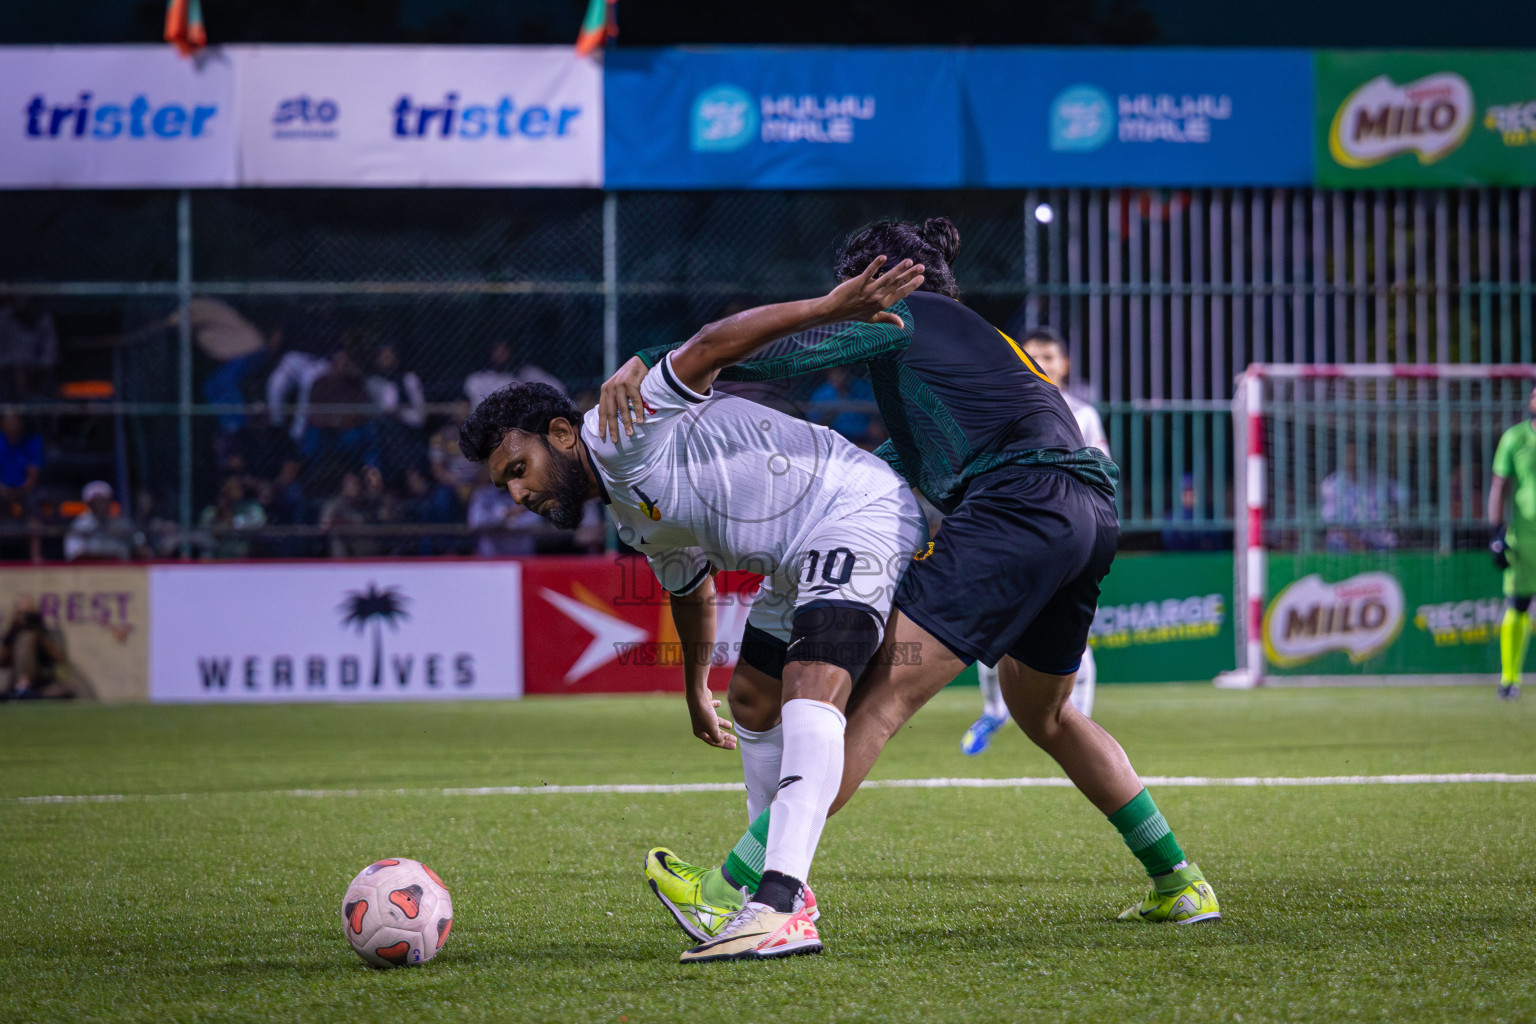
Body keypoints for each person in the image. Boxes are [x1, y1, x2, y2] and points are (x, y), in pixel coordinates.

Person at [601, 217, 1218, 941]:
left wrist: (657, 362)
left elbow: (779, 352)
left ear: (877, 279)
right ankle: (1179, 880)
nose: (837, 296)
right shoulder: (971, 346)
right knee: (1043, 712)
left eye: (844, 285)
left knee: (881, 696)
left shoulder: (902, 313)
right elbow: (913, 461)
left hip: (1018, 507)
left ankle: (735, 886)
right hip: (1087, 513)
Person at [459, 257, 930, 963]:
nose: (517, 496)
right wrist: (693, 689)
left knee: (811, 686)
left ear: (560, 434)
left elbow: (712, 344)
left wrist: (831, 306)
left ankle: (779, 901)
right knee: (751, 698)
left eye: (517, 470)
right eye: (505, 486)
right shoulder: (629, 518)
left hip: (854, 509)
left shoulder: (615, 426)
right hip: (796, 555)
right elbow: (690, 586)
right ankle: (770, 899)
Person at [962, 325, 1106, 755]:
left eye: (1048, 356)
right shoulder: (1001, 410)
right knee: (992, 631)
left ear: (1065, 365)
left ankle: (1080, 725)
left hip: (1068, 539)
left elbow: (1102, 476)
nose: (1040, 363)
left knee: (1074, 636)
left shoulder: (1082, 415)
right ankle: (993, 712)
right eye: (1032, 355)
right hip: (1011, 537)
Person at [1489, 384, 1536, 700]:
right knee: (1517, 605)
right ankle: (1509, 679)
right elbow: (1499, 487)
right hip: (1524, 540)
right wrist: (1495, 533)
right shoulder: (1515, 438)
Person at [1320, 442, 1407, 552]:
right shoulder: (1331, 484)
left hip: (1379, 539)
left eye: (1356, 454)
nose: (1353, 458)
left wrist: (1394, 516)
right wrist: (1353, 541)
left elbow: (1404, 497)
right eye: (1349, 454)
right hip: (1344, 541)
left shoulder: (1381, 480)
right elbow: (1331, 520)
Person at [0, 595, 71, 700]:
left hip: (41, 678)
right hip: (17, 677)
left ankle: (24, 690)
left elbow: (58, 657)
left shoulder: (44, 632)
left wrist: (37, 629)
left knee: (28, 637)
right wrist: (15, 631)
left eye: (27, 609)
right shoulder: (13, 633)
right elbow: (3, 660)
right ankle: (22, 687)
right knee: (25, 637)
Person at [0, 411, 44, 562]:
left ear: (20, 423)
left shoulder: (32, 441)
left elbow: (32, 474)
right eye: (8, 421)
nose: (12, 425)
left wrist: (20, 491)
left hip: (25, 490)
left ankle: (36, 556)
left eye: (15, 421)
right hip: (2, 489)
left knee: (34, 509)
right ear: (2, 424)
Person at [64, 481, 145, 562]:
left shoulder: (123, 524)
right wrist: (107, 557)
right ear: (89, 504)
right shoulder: (79, 526)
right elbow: (74, 556)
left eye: (104, 500)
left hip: (122, 570)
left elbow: (141, 548)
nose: (101, 505)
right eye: (96, 501)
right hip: (91, 571)